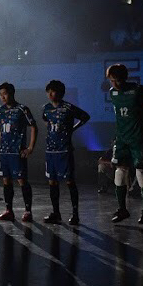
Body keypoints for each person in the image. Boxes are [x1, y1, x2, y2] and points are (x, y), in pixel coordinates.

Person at [106, 64, 143, 225]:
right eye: (111, 80)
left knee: (141, 172)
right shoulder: (112, 92)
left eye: (116, 80)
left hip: (137, 138)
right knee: (120, 171)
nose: (114, 83)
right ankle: (122, 209)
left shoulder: (137, 90)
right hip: (122, 139)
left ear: (124, 78)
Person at [41, 80, 90, 225]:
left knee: (69, 181)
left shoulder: (68, 107)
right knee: (52, 182)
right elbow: (45, 120)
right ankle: (56, 213)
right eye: (49, 91)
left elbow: (85, 117)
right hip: (50, 150)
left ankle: (75, 214)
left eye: (53, 91)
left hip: (64, 149)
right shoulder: (46, 108)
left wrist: (73, 128)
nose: (50, 94)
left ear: (61, 93)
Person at [0, 82, 37, 221]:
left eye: (5, 94)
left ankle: (28, 211)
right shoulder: (0, 110)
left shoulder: (22, 109)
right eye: (0, 95)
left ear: (12, 93)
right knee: (6, 181)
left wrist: (30, 147)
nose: (3, 97)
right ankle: (9, 210)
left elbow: (33, 127)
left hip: (17, 152)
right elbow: (0, 129)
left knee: (22, 180)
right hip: (4, 153)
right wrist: (0, 146)